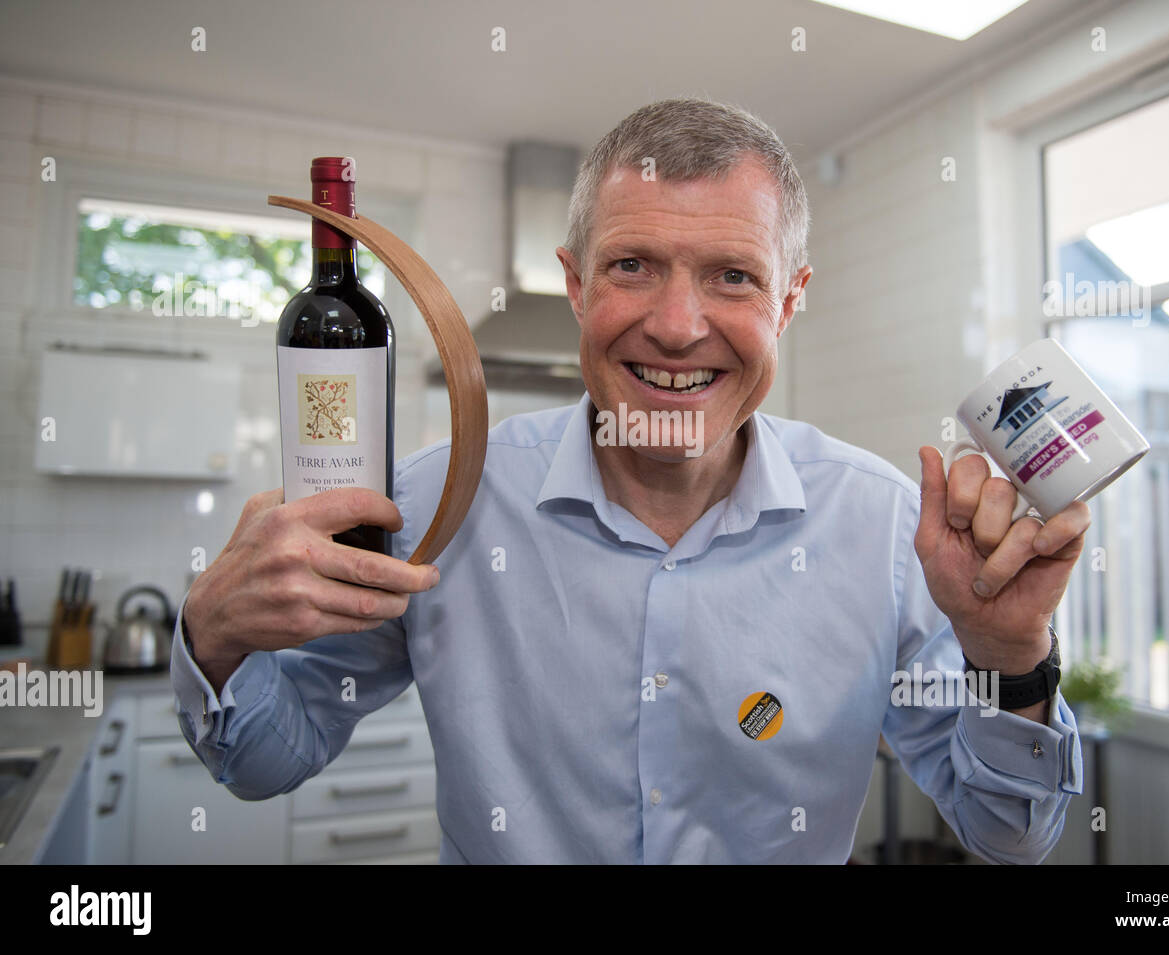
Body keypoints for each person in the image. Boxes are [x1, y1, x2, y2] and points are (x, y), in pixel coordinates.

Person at [174, 97, 1088, 864]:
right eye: (632, 266)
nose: (679, 325)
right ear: (575, 284)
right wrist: (214, 634)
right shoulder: (433, 507)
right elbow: (261, 758)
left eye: (733, 275)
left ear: (790, 300)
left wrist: (1011, 658)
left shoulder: (884, 528)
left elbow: (1009, 829)